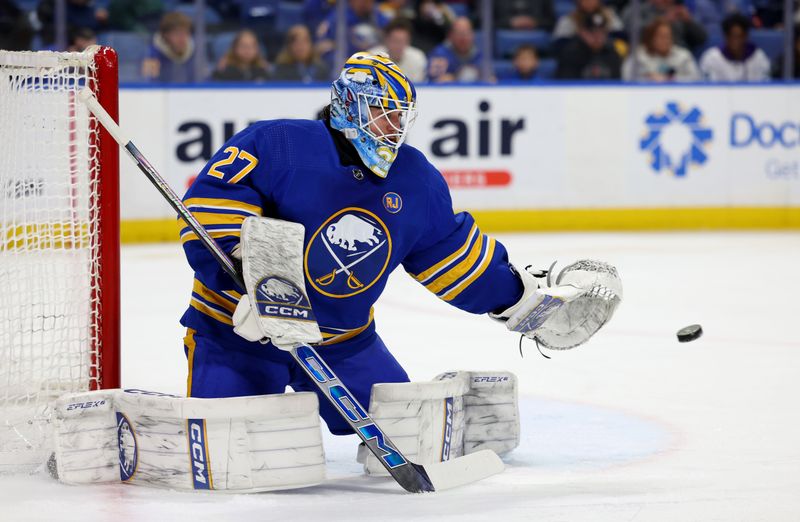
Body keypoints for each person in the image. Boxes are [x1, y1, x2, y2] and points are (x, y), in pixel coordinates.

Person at [179, 52, 619, 445]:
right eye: (383, 114)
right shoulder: (277, 144)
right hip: (236, 334)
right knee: (226, 451)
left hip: (342, 345)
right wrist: (252, 282)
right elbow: (213, 207)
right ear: (349, 104)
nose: (392, 128)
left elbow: (452, 257)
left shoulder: (415, 179)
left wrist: (522, 300)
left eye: (400, 117)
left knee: (408, 437)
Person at [699, 13, 771, 82]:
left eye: (739, 36)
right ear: (725, 37)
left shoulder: (758, 57)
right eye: (732, 36)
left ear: (746, 36)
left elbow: (766, 85)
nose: (735, 41)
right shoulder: (712, 58)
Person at [623, 18, 700, 81]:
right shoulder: (639, 56)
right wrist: (648, 79)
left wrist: (671, 79)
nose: (666, 41)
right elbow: (627, 77)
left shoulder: (684, 56)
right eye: (661, 37)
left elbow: (696, 79)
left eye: (668, 37)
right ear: (651, 38)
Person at [315, 0, 389, 65]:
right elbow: (323, 47)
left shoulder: (377, 16)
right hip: (347, 68)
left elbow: (391, 36)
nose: (367, 3)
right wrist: (345, 62)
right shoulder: (338, 18)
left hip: (375, 66)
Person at [555, 11, 623, 79]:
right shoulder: (571, 53)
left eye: (601, 32)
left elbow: (617, 84)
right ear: (582, 32)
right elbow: (566, 85)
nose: (597, 36)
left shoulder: (612, 53)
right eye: (592, 31)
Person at [622, 0, 707, 53]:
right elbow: (635, 33)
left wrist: (689, 21)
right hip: (648, 55)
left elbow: (702, 39)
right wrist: (664, 19)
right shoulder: (636, 10)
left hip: (677, 57)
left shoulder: (678, 11)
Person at [141, 12, 202, 83]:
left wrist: (217, 72)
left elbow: (203, 83)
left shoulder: (195, 53)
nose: (182, 39)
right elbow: (149, 86)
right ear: (165, 35)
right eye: (177, 34)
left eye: (186, 33)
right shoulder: (151, 55)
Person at [368, 17, 428, 83]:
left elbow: (420, 88)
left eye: (402, 41)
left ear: (408, 41)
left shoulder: (417, 58)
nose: (398, 46)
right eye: (395, 41)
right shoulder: (371, 57)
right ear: (386, 40)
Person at [427, 16, 482, 83]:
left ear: (473, 35)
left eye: (466, 33)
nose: (463, 38)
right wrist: (455, 78)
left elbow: (491, 80)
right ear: (450, 35)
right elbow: (433, 82)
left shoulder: (479, 55)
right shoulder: (439, 54)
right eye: (459, 33)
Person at [553, 0, 624, 42]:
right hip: (579, 55)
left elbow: (621, 36)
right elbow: (559, 44)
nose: (589, 1)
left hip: (606, 55)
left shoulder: (610, 16)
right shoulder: (569, 20)